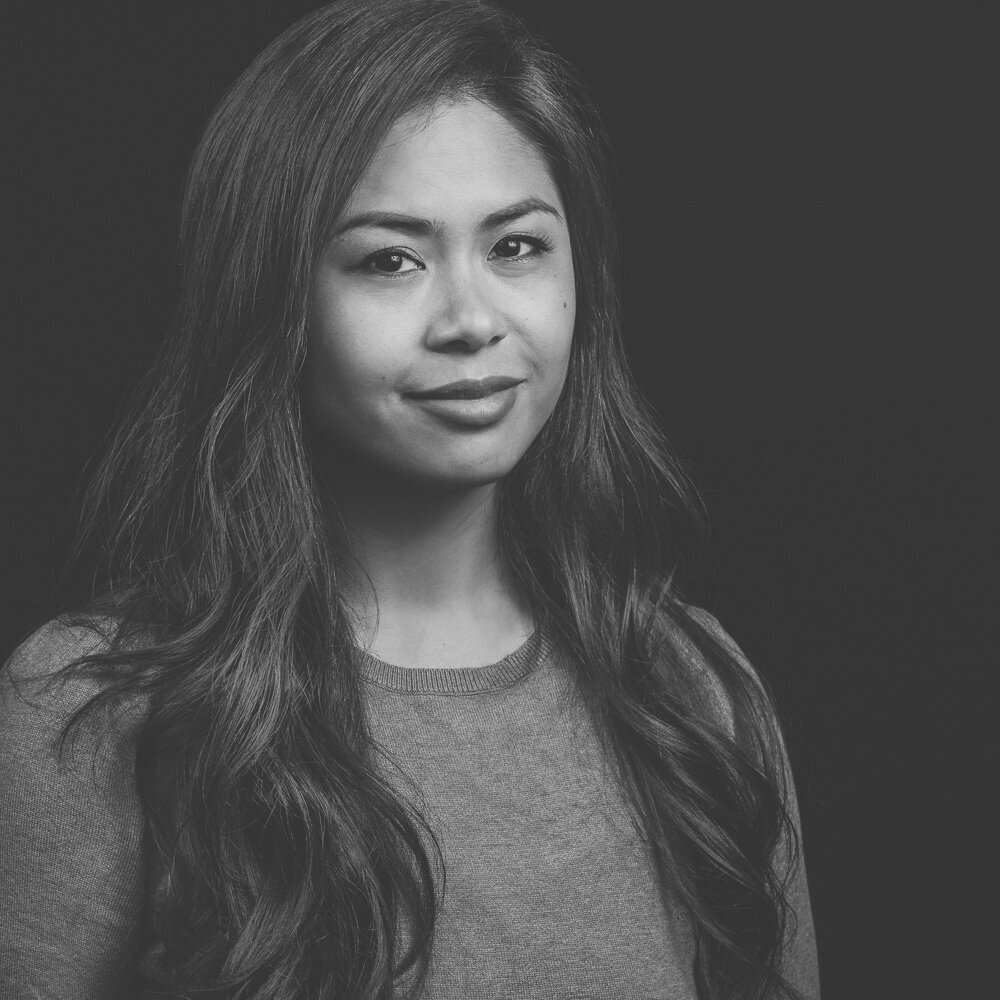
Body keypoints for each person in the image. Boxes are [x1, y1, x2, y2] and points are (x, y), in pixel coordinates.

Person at [0, 1, 820, 997]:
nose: (471, 319)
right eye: (390, 259)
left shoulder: (691, 690)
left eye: (515, 246)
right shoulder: (99, 710)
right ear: (274, 299)